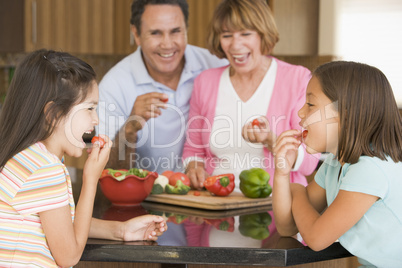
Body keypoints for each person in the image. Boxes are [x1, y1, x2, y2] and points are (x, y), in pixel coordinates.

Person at [0, 49, 167, 268]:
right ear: (53, 115)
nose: (95, 119)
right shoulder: (46, 170)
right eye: (89, 108)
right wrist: (91, 179)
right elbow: (69, 256)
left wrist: (121, 230)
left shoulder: (30, 159)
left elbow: (63, 225)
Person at [272, 61, 402, 267]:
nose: (300, 113)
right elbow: (288, 227)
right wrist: (281, 173)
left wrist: (296, 190)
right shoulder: (336, 163)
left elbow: (316, 238)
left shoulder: (370, 169)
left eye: (310, 105)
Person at [182, 0, 319, 191]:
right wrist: (194, 167)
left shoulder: (297, 79)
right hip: (217, 204)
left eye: (246, 34)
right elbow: (193, 149)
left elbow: (310, 160)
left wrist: (271, 141)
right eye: (227, 35)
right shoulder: (205, 82)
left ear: (263, 35)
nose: (235, 45)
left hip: (276, 206)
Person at [97, 0, 228, 173]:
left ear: (186, 30)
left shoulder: (214, 66)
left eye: (175, 31)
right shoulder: (114, 86)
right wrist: (130, 128)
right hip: (148, 197)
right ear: (136, 34)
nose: (167, 44)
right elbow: (108, 171)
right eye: (156, 33)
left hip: (210, 194)